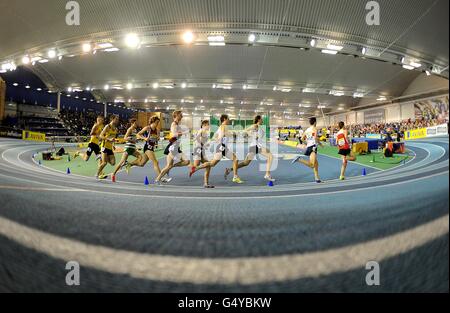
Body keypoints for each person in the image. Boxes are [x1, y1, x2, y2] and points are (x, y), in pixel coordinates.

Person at [189, 114, 243, 184]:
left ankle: (196, 168)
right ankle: (235, 177)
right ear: (224, 119)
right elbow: (221, 136)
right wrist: (221, 141)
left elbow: (215, 136)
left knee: (212, 164)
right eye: (228, 119)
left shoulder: (220, 127)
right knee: (235, 159)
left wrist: (219, 139)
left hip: (221, 146)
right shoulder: (223, 126)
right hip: (222, 147)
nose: (229, 120)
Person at [223, 115, 275, 182]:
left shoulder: (258, 127)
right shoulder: (255, 126)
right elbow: (245, 130)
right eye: (261, 119)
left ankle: (230, 169)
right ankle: (267, 174)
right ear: (258, 120)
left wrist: (252, 135)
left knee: (245, 163)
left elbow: (252, 133)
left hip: (254, 146)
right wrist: (247, 135)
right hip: (256, 146)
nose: (262, 120)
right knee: (270, 156)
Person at [125, 116, 171, 183]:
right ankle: (160, 178)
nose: (157, 124)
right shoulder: (147, 128)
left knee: (141, 164)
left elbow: (156, 139)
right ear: (153, 122)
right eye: (156, 122)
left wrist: (157, 139)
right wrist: (144, 138)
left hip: (151, 148)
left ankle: (129, 164)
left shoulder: (157, 130)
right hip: (147, 148)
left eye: (158, 122)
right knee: (156, 162)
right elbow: (138, 134)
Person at [154, 111, 190, 184]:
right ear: (176, 116)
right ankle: (157, 179)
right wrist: (184, 133)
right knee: (169, 166)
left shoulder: (177, 124)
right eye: (180, 115)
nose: (182, 116)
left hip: (177, 147)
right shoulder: (174, 124)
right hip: (173, 147)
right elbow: (174, 135)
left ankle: (159, 177)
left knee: (186, 161)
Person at [292, 117, 323, 183]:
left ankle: (317, 178)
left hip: (309, 146)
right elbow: (315, 138)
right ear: (315, 122)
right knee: (312, 165)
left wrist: (307, 143)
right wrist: (321, 144)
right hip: (313, 147)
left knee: (316, 164)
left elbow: (302, 139)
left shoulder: (307, 130)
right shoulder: (314, 129)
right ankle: (299, 159)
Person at [188, 120, 214, 188]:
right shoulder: (201, 130)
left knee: (208, 165)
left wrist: (205, 145)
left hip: (201, 150)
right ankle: (186, 164)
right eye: (208, 125)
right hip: (198, 150)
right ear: (204, 125)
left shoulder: (204, 131)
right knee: (195, 166)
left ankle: (206, 183)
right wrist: (199, 147)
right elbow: (196, 138)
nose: (209, 126)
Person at [95, 115, 119, 180]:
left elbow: (113, 138)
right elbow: (101, 135)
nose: (117, 120)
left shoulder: (116, 129)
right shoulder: (107, 126)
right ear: (112, 119)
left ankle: (101, 157)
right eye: (116, 119)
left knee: (113, 163)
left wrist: (113, 144)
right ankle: (97, 174)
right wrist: (108, 139)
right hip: (104, 146)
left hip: (110, 148)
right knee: (104, 163)